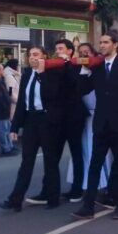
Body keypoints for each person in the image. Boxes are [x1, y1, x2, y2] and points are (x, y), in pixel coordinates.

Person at [72, 33, 118, 220]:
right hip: (101, 124)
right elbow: (82, 90)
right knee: (95, 165)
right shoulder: (96, 68)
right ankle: (88, 206)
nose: (102, 45)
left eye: (106, 42)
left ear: (114, 45)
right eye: (101, 43)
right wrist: (84, 70)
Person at [0, 47, 64, 212]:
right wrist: (15, 126)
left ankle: (53, 197)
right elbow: (22, 101)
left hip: (47, 121)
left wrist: (42, 73)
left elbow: (52, 94)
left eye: (36, 55)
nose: (32, 58)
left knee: (50, 161)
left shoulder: (53, 73)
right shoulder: (27, 74)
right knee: (26, 162)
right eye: (30, 55)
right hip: (30, 120)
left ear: (44, 57)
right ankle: (15, 199)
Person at [69, 44, 111, 191]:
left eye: (86, 52)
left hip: (100, 115)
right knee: (85, 151)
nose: (83, 55)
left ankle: (104, 182)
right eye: (80, 53)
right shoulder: (80, 70)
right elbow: (80, 90)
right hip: (85, 116)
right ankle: (85, 183)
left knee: (99, 151)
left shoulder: (101, 69)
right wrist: (84, 70)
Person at [52, 39, 86, 203]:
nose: (58, 51)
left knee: (76, 153)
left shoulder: (76, 65)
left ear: (70, 51)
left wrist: (66, 63)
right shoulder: (55, 67)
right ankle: (51, 190)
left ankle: (77, 189)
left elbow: (75, 83)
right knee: (53, 155)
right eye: (56, 48)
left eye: (61, 48)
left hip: (73, 116)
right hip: (58, 117)